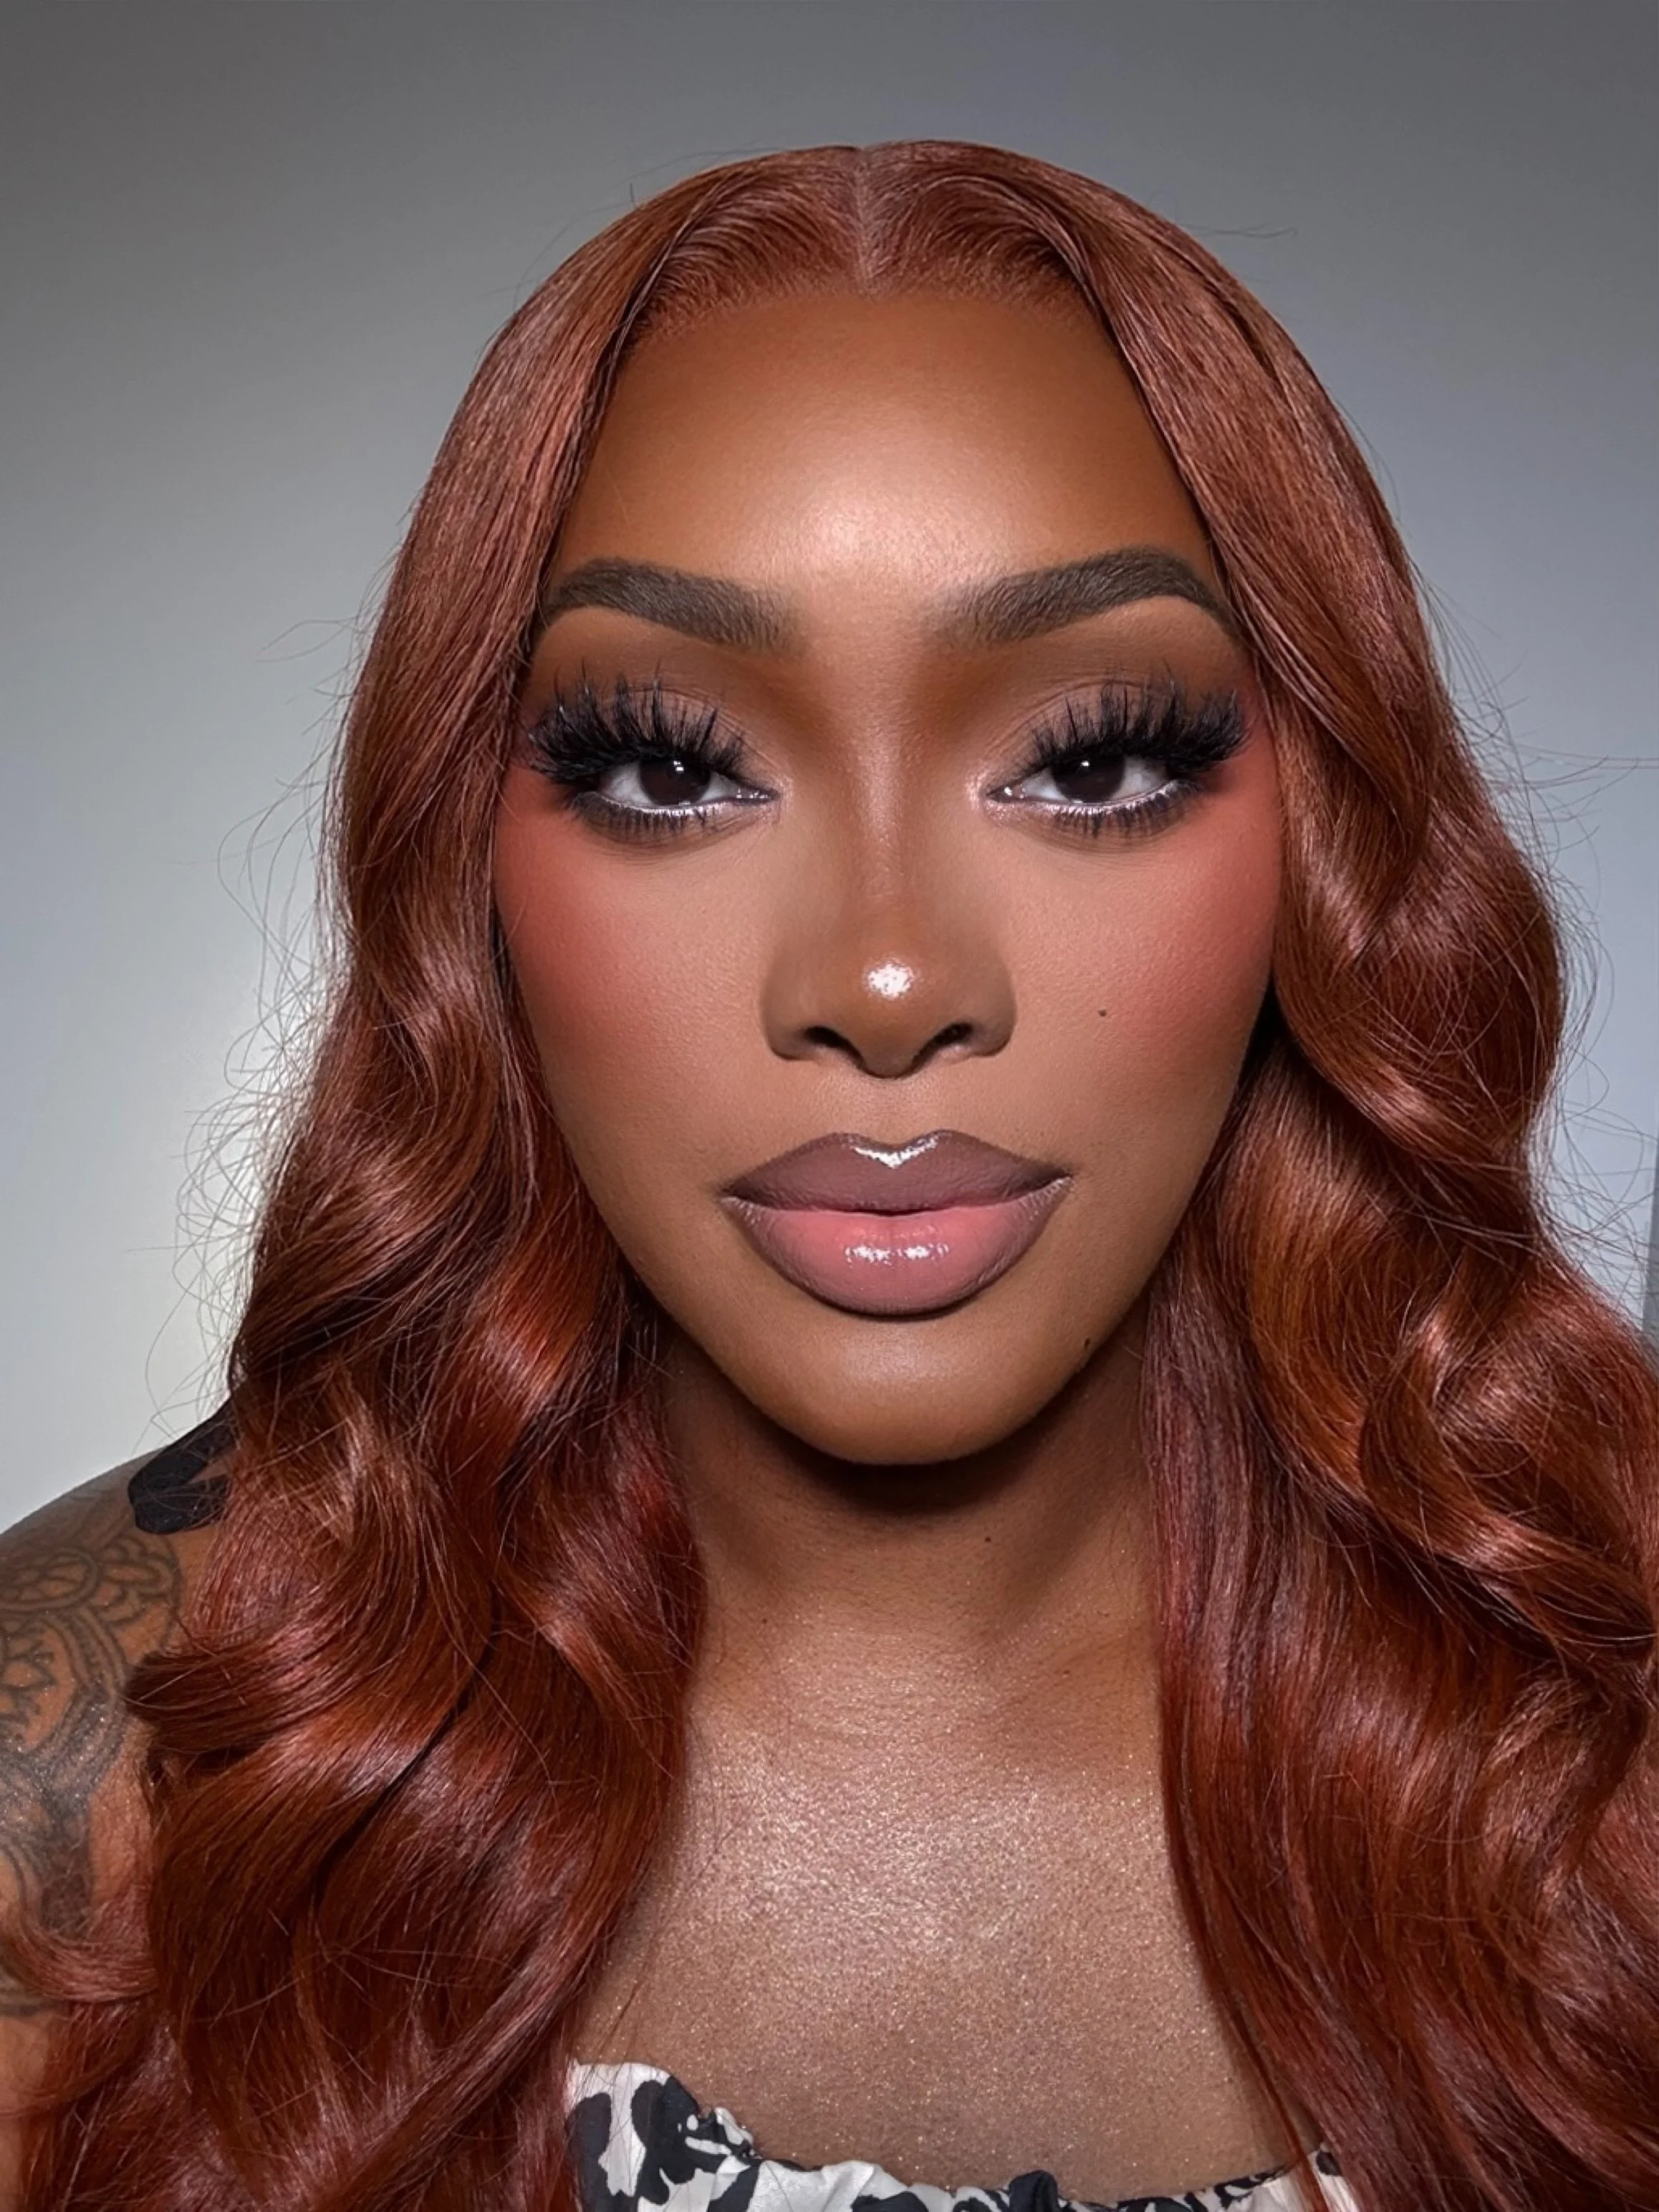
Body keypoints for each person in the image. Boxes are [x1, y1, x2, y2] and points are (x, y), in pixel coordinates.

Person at [0, 139, 1653, 2212]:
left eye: (1097, 756)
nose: (884, 979)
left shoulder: (1612, 1718)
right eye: (671, 767)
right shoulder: (85, 1779)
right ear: (464, 870)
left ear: (1325, 846)